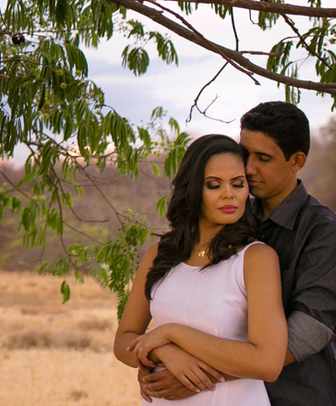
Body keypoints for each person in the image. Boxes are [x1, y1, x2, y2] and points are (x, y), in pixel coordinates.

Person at [138, 103, 336, 405]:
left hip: (297, 395)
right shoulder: (230, 216)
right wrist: (160, 355)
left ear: (296, 161)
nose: (249, 167)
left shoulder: (324, 234)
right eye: (245, 153)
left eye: (264, 158)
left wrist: (194, 376)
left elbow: (307, 332)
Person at [114, 134, 287, 404]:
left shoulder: (256, 258)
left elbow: (267, 362)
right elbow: (123, 342)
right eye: (214, 185)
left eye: (238, 184)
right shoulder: (159, 254)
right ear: (193, 189)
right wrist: (166, 352)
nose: (229, 194)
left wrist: (171, 333)